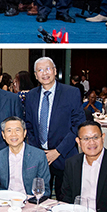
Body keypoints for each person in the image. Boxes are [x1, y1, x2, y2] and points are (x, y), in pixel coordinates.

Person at [23, 57, 84, 199]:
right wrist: (38, 152)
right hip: (40, 157)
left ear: (55, 71)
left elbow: (77, 126)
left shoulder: (71, 93)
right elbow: (29, 125)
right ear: (36, 75)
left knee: (65, 203)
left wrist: (57, 151)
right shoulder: (31, 95)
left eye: (48, 68)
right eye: (40, 70)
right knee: (40, 199)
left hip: (65, 156)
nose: (44, 73)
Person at [0, 116, 51, 197]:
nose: (13, 134)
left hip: (30, 201)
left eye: (17, 130)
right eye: (9, 130)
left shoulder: (38, 155)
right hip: (5, 201)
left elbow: (44, 189)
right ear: (3, 135)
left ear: (24, 133)